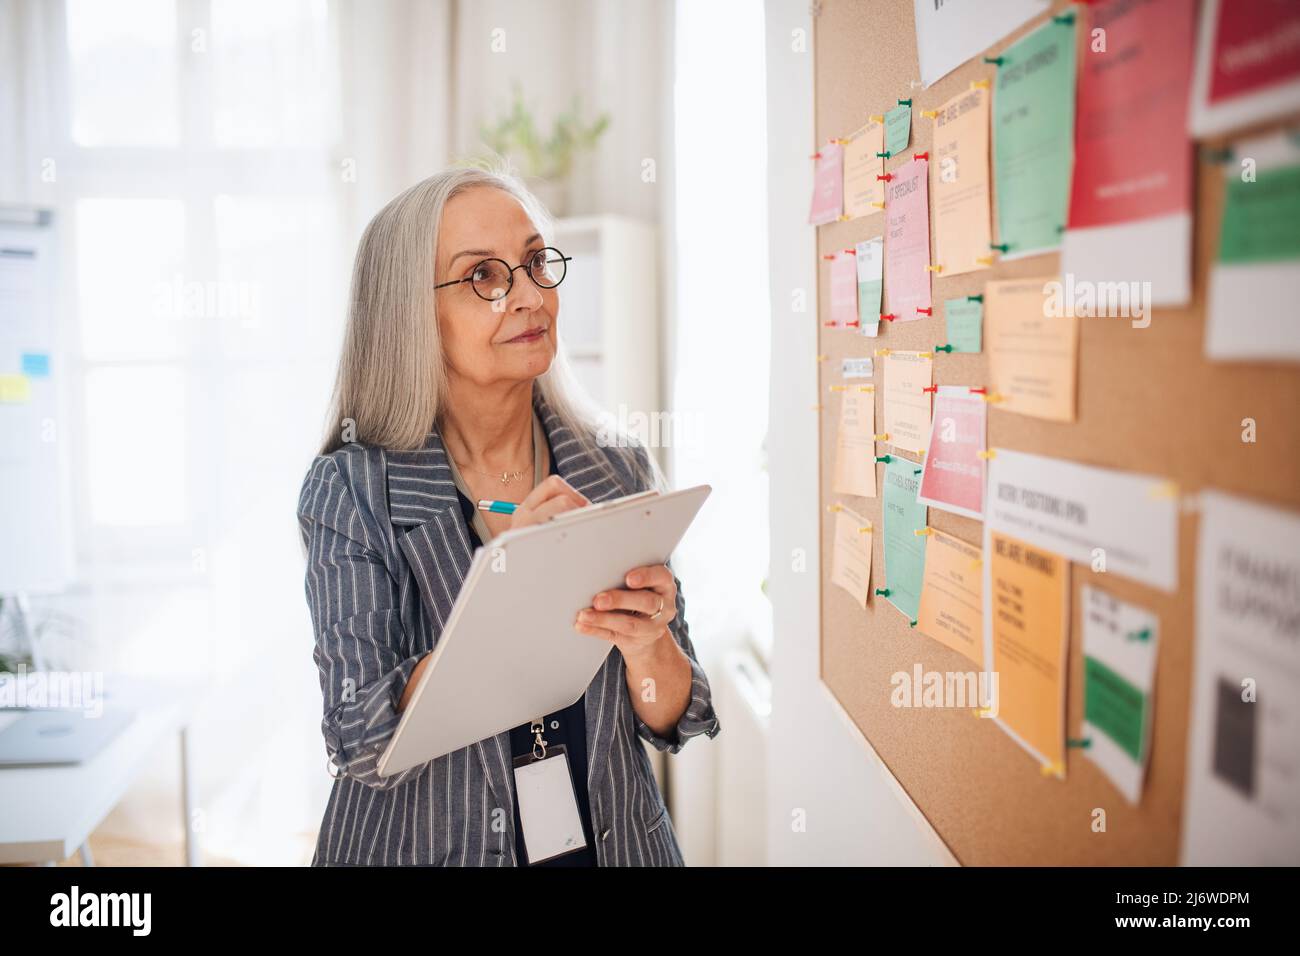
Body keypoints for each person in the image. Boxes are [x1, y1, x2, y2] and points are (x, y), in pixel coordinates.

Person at [296, 163, 720, 866]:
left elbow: (677, 716)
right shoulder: (351, 489)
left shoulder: (615, 466)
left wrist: (650, 646)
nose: (527, 295)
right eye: (483, 278)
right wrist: (508, 589)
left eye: (531, 263)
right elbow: (359, 740)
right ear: (411, 313)